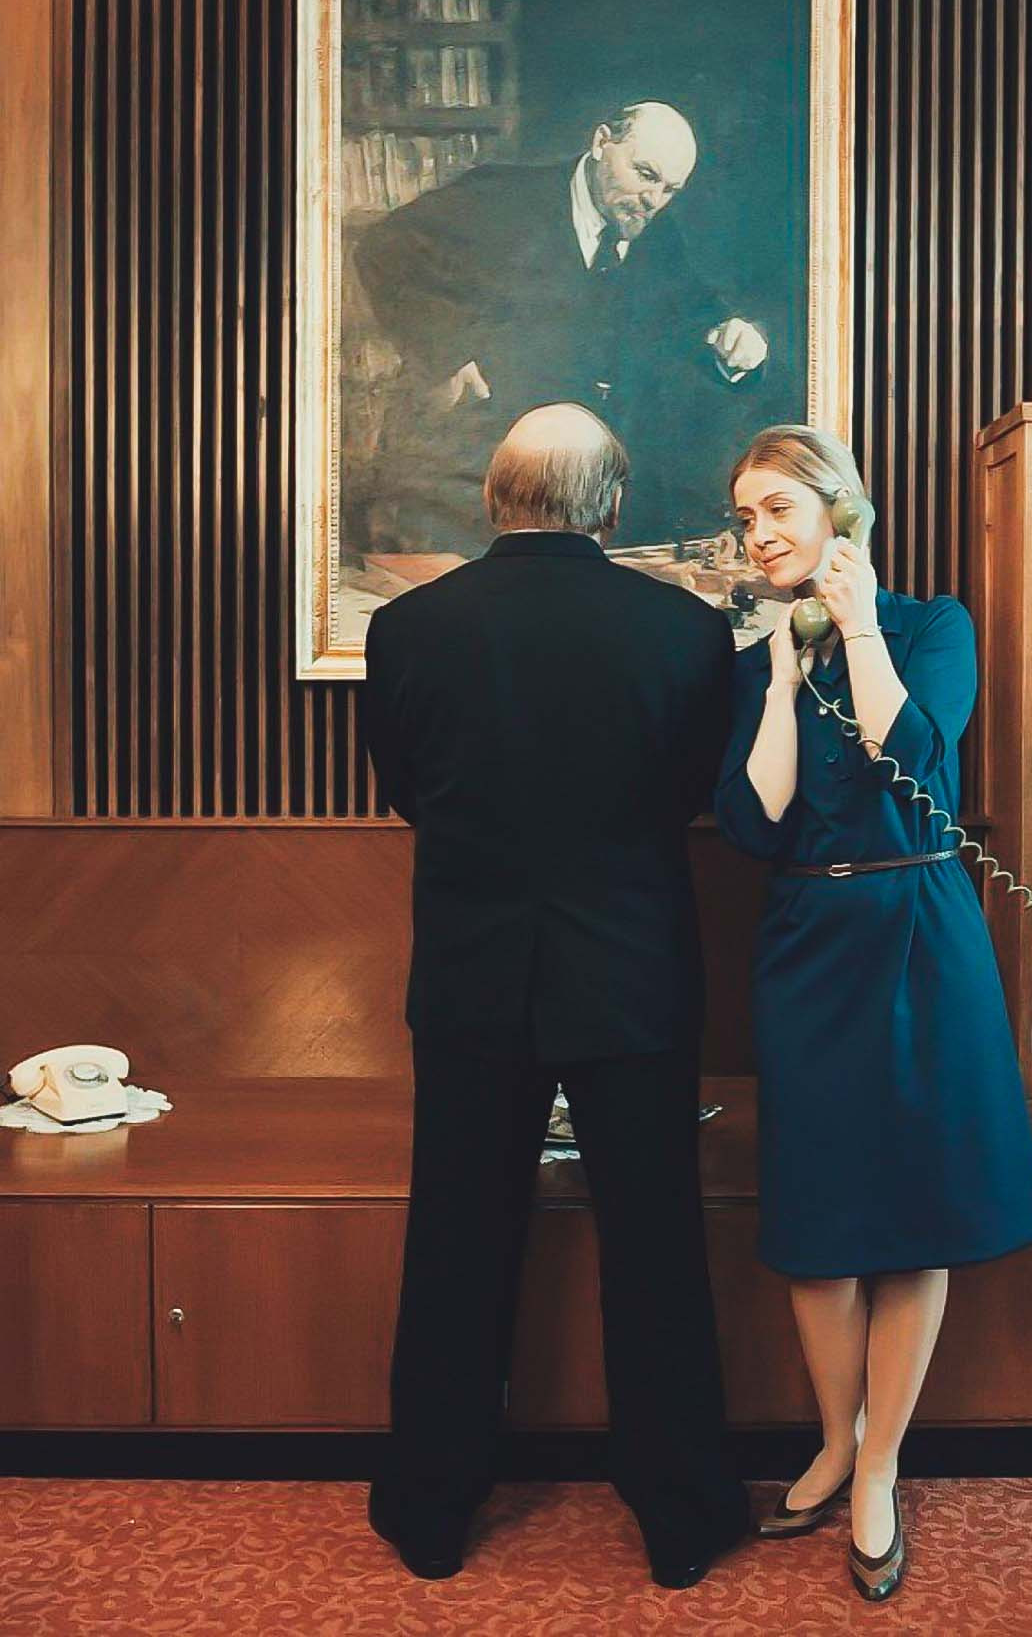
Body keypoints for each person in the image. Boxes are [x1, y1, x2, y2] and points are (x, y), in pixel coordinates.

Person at [361, 402, 750, 1588]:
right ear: (611, 505)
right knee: (656, 1246)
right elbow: (692, 793)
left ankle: (431, 1509)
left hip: (472, 974)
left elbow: (406, 792)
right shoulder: (688, 631)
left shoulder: (407, 628)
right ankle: (681, 1517)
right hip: (633, 973)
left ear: (496, 497)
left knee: (456, 1241)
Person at [714, 425, 1032, 1603]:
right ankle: (832, 1438)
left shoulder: (932, 627)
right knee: (817, 1218)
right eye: (745, 516)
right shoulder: (759, 651)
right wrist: (776, 678)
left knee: (912, 1216)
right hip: (808, 940)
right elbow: (752, 824)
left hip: (917, 932)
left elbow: (911, 751)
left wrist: (858, 630)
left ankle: (878, 1468)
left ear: (840, 513)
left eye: (777, 508)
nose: (758, 533)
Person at [351, 101, 769, 559]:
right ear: (601, 142)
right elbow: (383, 247)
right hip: (476, 477)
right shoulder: (499, 196)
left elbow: (695, 310)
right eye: (645, 174)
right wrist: (446, 355)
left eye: (670, 189)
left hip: (586, 492)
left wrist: (735, 336)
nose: (654, 200)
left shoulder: (655, 230)